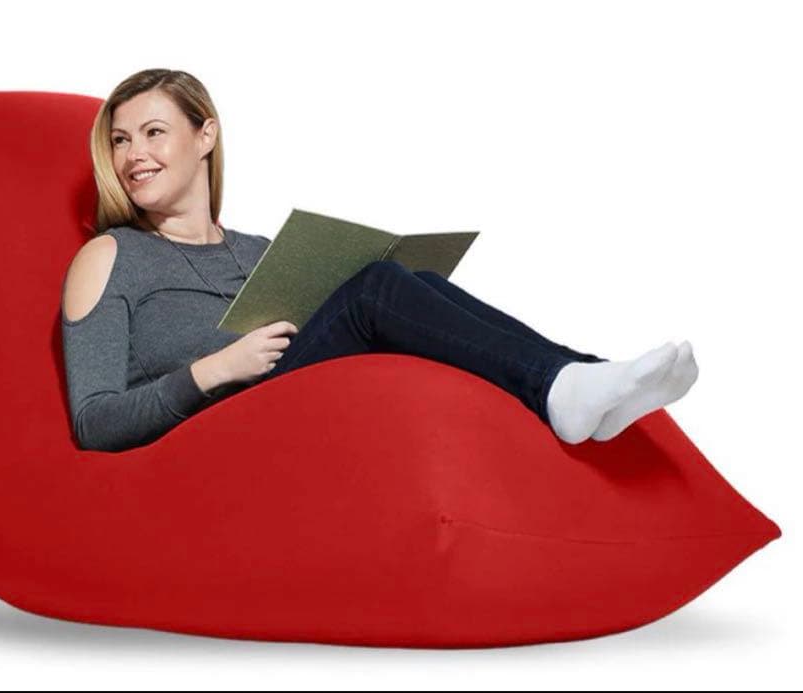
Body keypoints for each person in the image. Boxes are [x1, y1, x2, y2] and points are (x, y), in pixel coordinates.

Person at [60, 68, 699, 452]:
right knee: (377, 289)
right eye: (120, 140)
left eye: (153, 132)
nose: (133, 155)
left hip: (312, 405)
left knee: (412, 279)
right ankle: (563, 389)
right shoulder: (111, 256)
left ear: (206, 136)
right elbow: (93, 421)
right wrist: (214, 370)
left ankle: (579, 375)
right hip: (220, 435)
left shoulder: (257, 251)